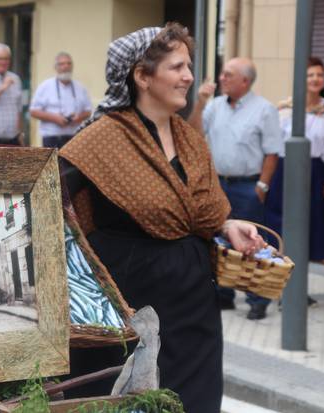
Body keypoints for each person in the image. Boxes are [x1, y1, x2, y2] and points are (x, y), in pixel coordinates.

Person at [59, 23, 264, 413]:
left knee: (197, 399)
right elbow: (48, 196)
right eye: (177, 67)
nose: (189, 76)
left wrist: (227, 224)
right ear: (141, 76)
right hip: (129, 304)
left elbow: (200, 211)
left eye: (188, 66)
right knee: (127, 401)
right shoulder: (102, 137)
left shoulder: (189, 139)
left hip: (193, 300)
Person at [188, 57, 281, 320]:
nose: (221, 78)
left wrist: (261, 187)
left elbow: (273, 152)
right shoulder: (215, 106)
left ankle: (257, 299)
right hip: (218, 183)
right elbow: (193, 134)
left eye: (227, 74)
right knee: (220, 241)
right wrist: (200, 102)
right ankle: (224, 295)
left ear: (245, 81)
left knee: (253, 243)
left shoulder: (264, 109)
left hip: (248, 185)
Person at [266, 57, 324, 267]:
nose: (315, 79)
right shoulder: (285, 109)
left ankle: (301, 288)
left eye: (320, 75)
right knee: (282, 225)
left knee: (312, 227)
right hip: (285, 171)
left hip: (316, 172)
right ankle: (284, 286)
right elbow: (272, 144)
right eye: (310, 75)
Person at [30, 52, 92, 148]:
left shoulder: (80, 87)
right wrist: (55, 118)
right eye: (62, 64)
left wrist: (78, 117)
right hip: (52, 138)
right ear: (56, 67)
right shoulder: (45, 86)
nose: (66, 66)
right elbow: (34, 111)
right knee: (52, 163)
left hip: (74, 137)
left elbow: (88, 111)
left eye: (69, 63)